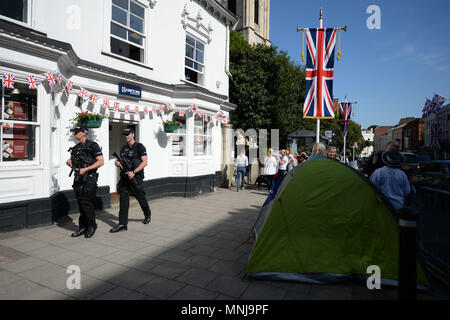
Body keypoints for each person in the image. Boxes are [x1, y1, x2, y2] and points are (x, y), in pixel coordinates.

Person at [110, 128, 151, 233]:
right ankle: (122, 224)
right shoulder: (123, 149)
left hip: (135, 177)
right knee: (123, 201)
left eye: (128, 134)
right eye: (125, 135)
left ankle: (147, 214)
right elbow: (119, 161)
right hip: (125, 179)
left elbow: (145, 162)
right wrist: (117, 163)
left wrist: (134, 172)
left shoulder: (140, 147)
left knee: (140, 197)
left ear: (133, 134)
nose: (126, 136)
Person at [66, 126, 104, 238]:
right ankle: (82, 227)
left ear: (84, 133)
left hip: (89, 178)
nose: (74, 135)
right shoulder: (76, 147)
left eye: (76, 132)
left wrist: (86, 169)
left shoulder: (93, 145)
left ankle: (92, 225)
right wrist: (69, 162)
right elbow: (74, 162)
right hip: (78, 178)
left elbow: (101, 161)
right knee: (81, 203)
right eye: (74, 133)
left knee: (87, 203)